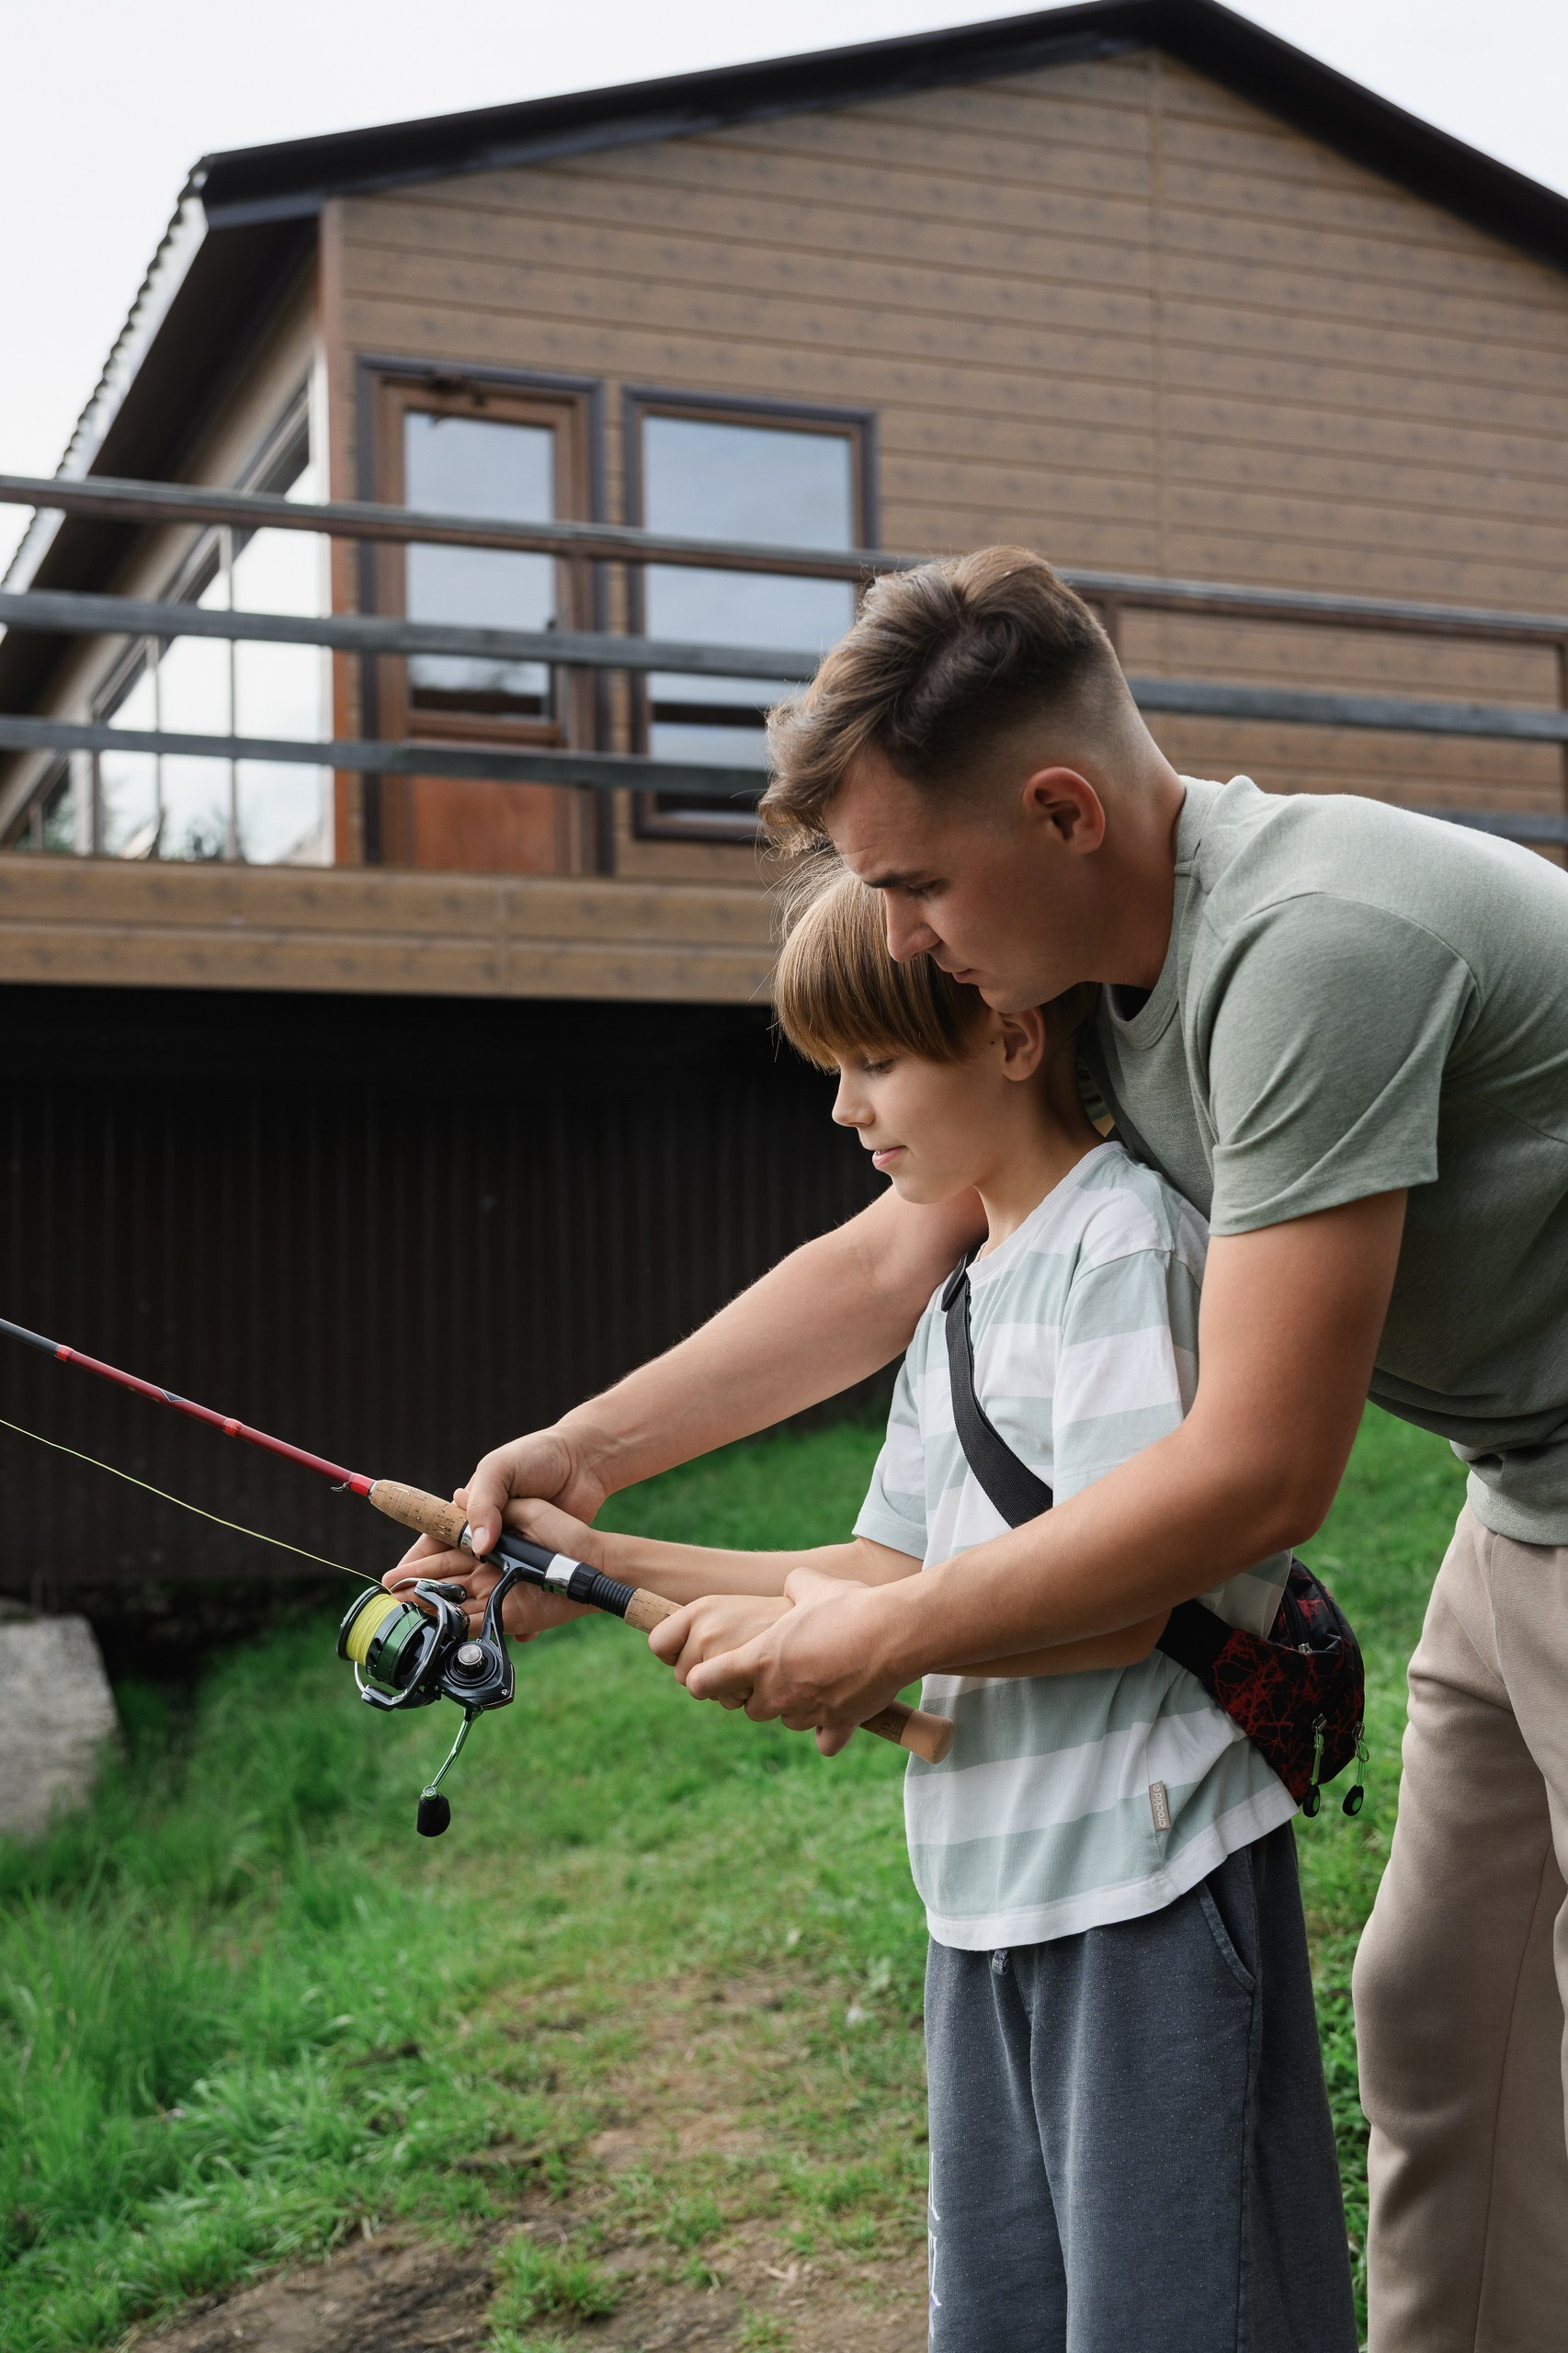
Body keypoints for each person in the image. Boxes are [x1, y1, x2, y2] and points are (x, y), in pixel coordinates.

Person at [397, 548, 1568, 2353]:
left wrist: (883, 1631)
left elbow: (1258, 1476)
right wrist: (588, 1458)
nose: (901, 939)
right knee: (1441, 2013)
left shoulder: (1310, 951)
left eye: (915, 883)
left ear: (1060, 811)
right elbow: (891, 1259)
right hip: (1525, 1487)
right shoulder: (1096, 968)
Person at [470, 859, 1355, 2351]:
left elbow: (1124, 1592)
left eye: (873, 1062)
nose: (844, 1108)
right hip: (985, 1902)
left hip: (1141, 1889)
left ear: (1010, 1035)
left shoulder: (1122, 1246)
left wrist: (853, 1643)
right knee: (1006, 2315)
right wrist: (585, 1570)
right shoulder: (962, 1295)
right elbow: (887, 1573)